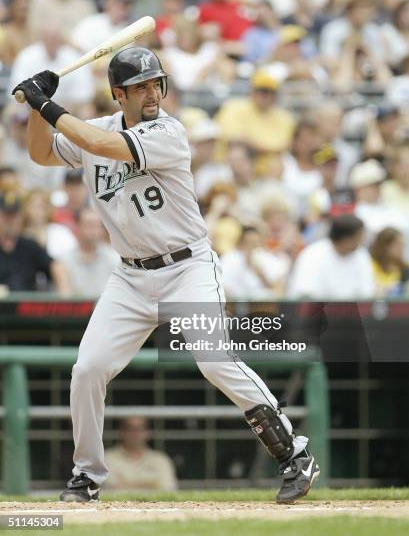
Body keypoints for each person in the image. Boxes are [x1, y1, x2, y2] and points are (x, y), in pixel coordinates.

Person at [12, 46, 320, 504]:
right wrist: (40, 107)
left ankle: (294, 452)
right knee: (88, 370)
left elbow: (100, 147)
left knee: (213, 360)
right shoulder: (95, 128)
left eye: (155, 83)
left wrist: (44, 103)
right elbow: (40, 153)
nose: (151, 93)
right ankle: (87, 476)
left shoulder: (168, 133)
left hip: (186, 268)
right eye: (139, 87)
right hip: (131, 276)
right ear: (118, 95)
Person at [287, 214, 375, 300]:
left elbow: (367, 293)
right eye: (358, 237)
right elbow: (305, 295)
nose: (361, 241)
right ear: (346, 239)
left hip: (354, 312)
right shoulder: (313, 254)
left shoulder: (362, 255)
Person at [0, 189, 69, 292]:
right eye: (7, 216)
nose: (10, 221)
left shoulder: (29, 246)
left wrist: (65, 295)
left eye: (14, 216)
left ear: (20, 217)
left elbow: (55, 266)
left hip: (27, 305)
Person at [104, 416, 177, 491]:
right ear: (121, 431)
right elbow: (110, 489)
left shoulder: (161, 459)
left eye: (141, 428)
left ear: (148, 432)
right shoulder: (106, 458)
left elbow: (168, 489)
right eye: (130, 428)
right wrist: (152, 485)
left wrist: (125, 484)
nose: (135, 433)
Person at [59, 207, 119, 296]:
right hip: (78, 309)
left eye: (97, 226)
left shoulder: (115, 258)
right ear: (78, 227)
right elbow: (66, 297)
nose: (93, 231)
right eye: (89, 225)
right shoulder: (64, 261)